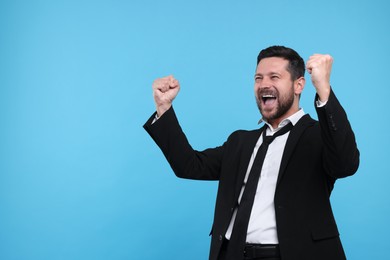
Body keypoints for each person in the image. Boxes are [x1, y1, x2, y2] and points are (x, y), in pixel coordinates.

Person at [143, 46, 359, 260]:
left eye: (274, 77)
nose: (264, 84)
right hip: (233, 253)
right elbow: (188, 165)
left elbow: (345, 164)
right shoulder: (240, 142)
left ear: (298, 85)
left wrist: (323, 89)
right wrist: (163, 107)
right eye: (258, 78)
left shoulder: (320, 136)